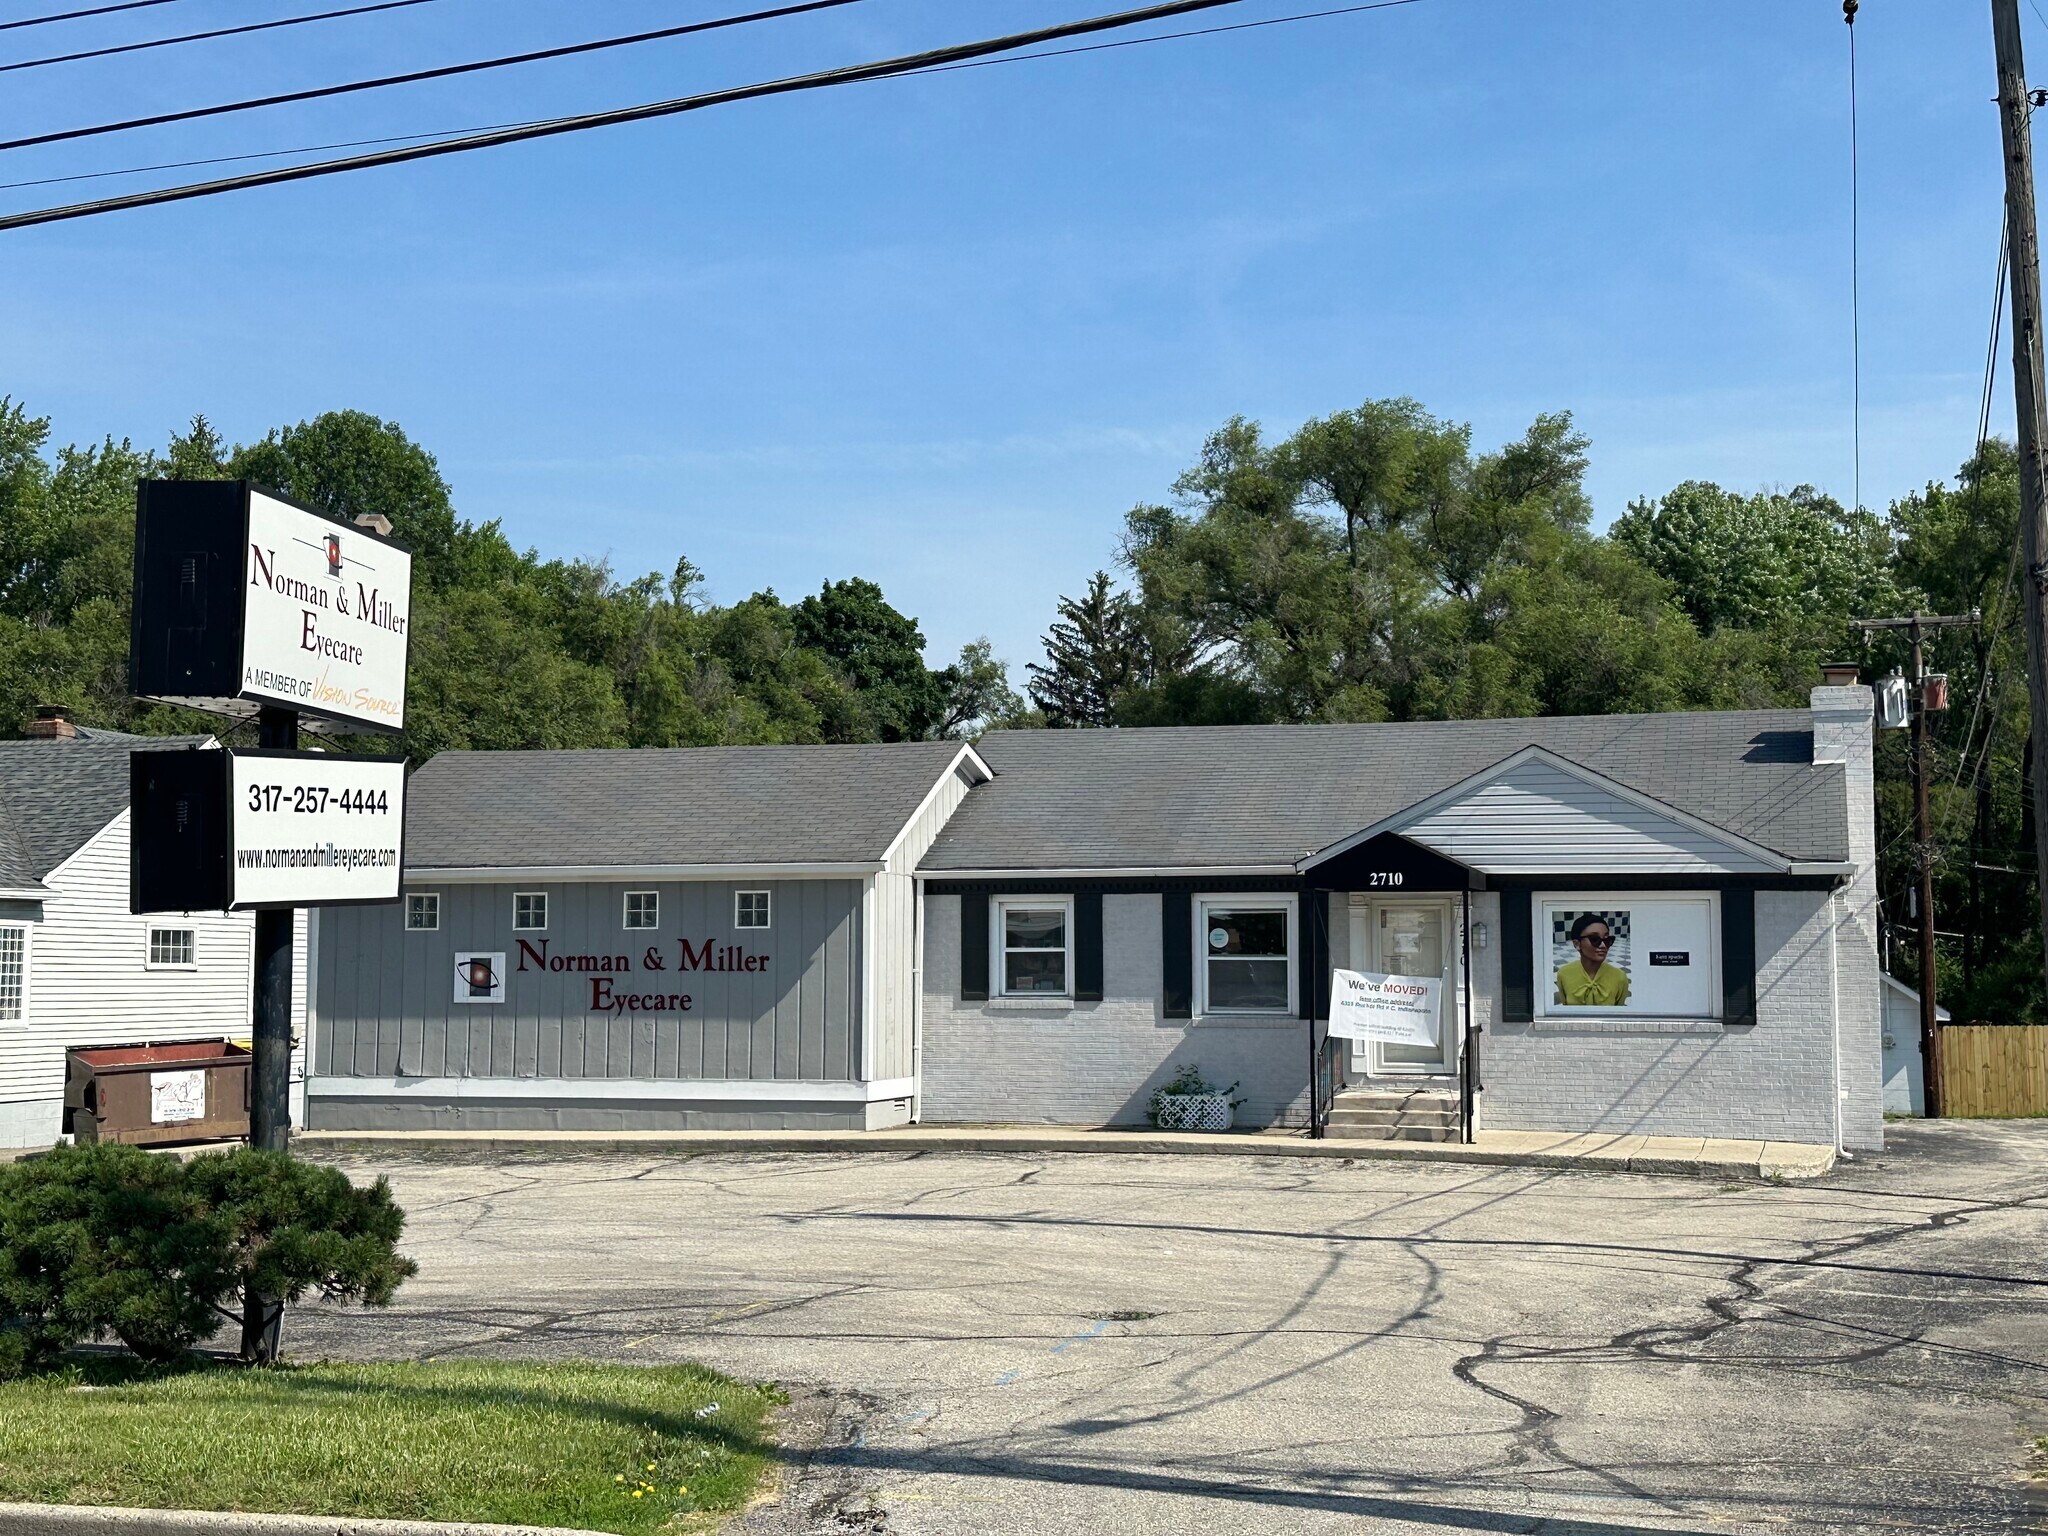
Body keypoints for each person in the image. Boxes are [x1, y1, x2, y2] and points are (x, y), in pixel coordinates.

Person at [1555, 913, 1630, 1006]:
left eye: (1607, 939)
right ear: (1577, 944)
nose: (1603, 945)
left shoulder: (1620, 978)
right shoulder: (1563, 974)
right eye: (1594, 939)